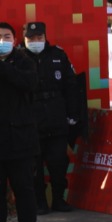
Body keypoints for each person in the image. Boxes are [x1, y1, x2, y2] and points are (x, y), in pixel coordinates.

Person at [18, 22, 83, 212]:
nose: (35, 41)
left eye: (39, 37)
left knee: (58, 163)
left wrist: (73, 114)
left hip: (56, 117)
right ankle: (39, 202)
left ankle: (58, 199)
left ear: (45, 37)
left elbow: (71, 86)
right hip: (30, 121)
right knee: (33, 166)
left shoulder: (58, 55)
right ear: (24, 39)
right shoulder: (19, 57)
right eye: (31, 38)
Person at [0, 25, 43, 222]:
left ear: (14, 39)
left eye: (6, 37)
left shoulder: (24, 61)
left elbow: (29, 83)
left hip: (21, 139)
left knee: (23, 188)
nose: (2, 41)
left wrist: (3, 67)